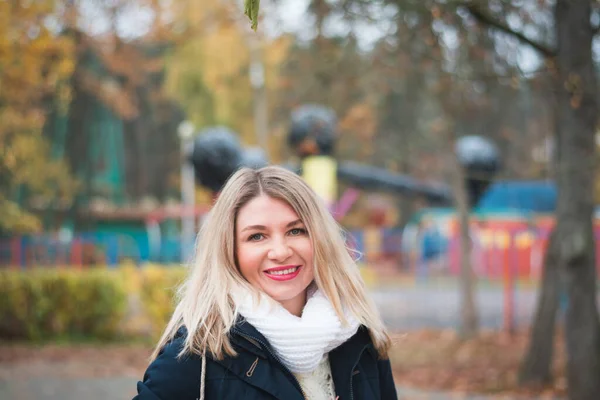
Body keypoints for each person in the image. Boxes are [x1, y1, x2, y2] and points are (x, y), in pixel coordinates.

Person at [133, 166, 398, 400]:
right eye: (257, 236)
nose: (280, 252)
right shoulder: (200, 351)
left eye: (296, 231)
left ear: (320, 239)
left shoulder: (361, 336)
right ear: (230, 250)